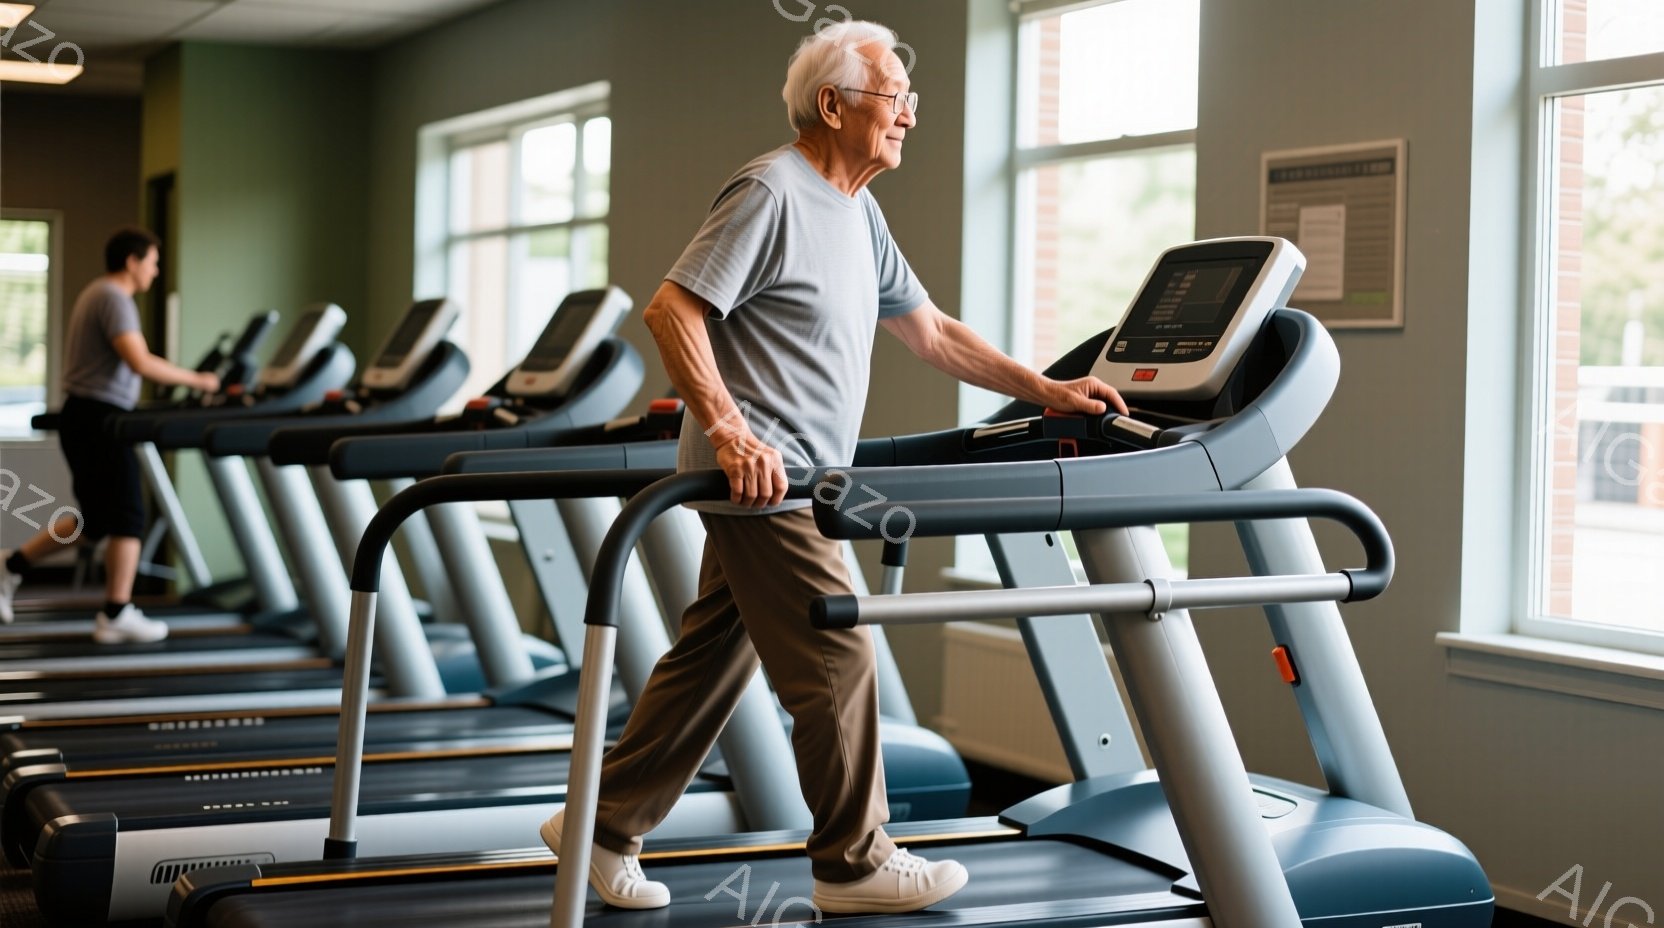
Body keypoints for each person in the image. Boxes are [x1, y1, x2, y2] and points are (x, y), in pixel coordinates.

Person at [539, 21, 1127, 914]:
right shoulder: (773, 191)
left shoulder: (857, 210)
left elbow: (932, 333)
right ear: (834, 105)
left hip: (802, 479)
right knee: (839, 652)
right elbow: (672, 311)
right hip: (765, 482)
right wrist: (731, 432)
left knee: (712, 659)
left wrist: (1044, 389)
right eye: (896, 98)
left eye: (909, 100)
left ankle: (602, 822)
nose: (909, 116)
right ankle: (852, 863)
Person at [0, 228, 219, 641]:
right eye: (153, 262)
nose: (155, 272)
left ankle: (10, 565)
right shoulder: (113, 298)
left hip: (89, 415)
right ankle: (115, 613)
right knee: (129, 515)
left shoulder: (99, 293)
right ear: (132, 261)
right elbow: (140, 362)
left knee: (97, 520)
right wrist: (200, 380)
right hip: (98, 417)